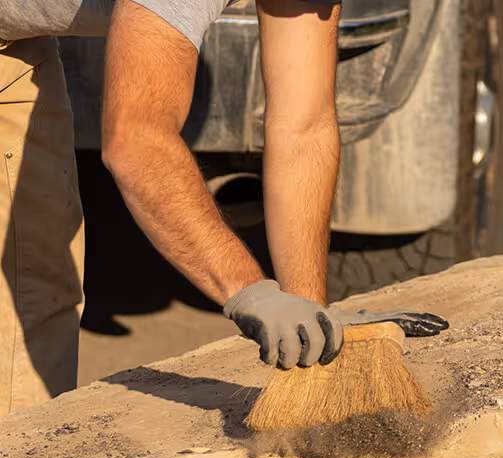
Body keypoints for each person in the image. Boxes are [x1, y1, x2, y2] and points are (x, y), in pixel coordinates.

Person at [0, 0, 447, 416]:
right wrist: (254, 294)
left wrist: (309, 314)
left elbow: (303, 126)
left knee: (32, 297)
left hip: (17, 43)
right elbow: (137, 141)